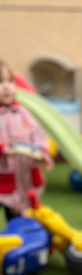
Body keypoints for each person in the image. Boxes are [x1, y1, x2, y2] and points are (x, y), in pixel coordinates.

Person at [0, 59, 53, 222]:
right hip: (5, 178)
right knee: (10, 209)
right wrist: (2, 148)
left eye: (10, 81)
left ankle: (23, 234)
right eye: (0, 82)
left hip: (26, 177)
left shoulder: (23, 113)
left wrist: (42, 152)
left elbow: (38, 134)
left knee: (25, 215)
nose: (7, 86)